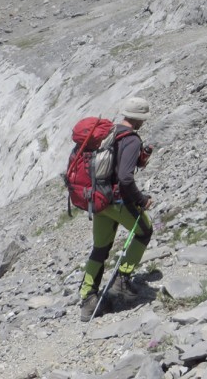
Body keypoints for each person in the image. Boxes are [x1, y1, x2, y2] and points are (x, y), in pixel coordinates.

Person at [79, 95, 155, 321]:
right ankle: (121, 280)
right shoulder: (131, 139)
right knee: (145, 231)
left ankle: (87, 297)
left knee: (100, 248)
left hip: (97, 200)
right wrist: (141, 200)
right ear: (140, 119)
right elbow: (124, 178)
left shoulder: (109, 133)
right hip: (117, 200)